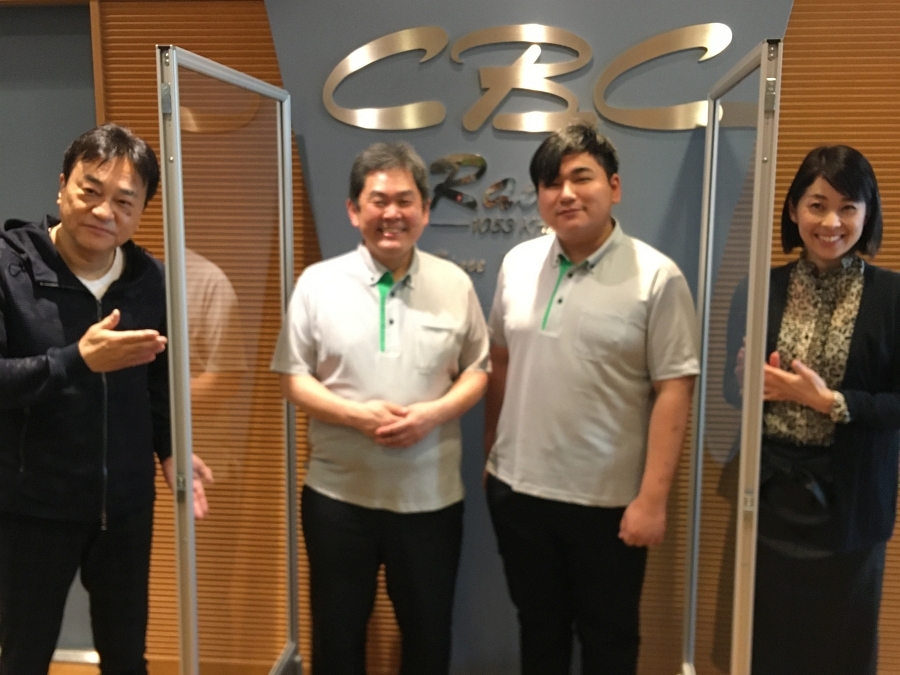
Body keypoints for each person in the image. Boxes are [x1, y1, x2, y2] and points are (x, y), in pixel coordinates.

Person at [484, 121, 699, 675]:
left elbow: (674, 388)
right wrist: (492, 452)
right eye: (551, 183)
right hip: (519, 493)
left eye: (582, 178)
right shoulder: (517, 264)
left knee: (609, 642)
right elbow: (500, 359)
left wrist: (652, 500)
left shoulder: (657, 277)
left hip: (608, 505)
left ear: (614, 187)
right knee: (539, 633)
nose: (567, 194)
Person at [0, 123, 213, 675]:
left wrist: (171, 450)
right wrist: (76, 359)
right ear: (62, 186)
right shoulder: (9, 268)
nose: (103, 212)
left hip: (124, 505)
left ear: (142, 210)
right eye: (90, 191)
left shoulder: (150, 279)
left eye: (124, 201)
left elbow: (158, 380)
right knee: (23, 656)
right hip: (31, 504)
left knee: (125, 656)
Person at [271, 141, 490, 675]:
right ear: (354, 210)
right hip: (338, 500)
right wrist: (357, 417)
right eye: (378, 200)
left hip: (431, 501)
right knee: (336, 639)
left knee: (428, 639)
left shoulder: (455, 284)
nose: (392, 213)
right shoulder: (317, 283)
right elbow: (292, 378)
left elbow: (478, 370)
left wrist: (432, 415)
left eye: (405, 200)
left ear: (425, 210)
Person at [724, 145, 897, 675]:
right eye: (817, 205)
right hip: (769, 496)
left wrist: (830, 403)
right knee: (765, 647)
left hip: (851, 505)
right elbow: (734, 392)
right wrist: (744, 383)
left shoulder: (892, 297)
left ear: (867, 215)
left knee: (840, 652)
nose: (831, 222)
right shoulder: (759, 289)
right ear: (793, 209)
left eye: (848, 208)